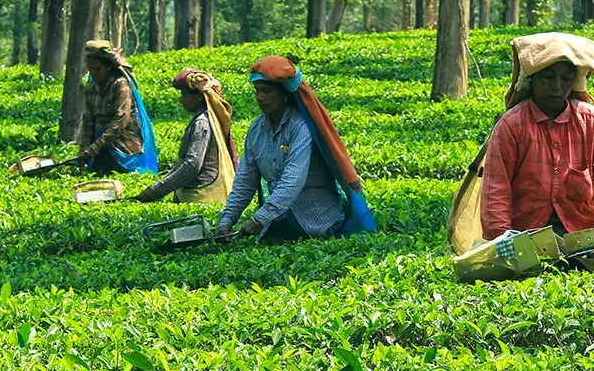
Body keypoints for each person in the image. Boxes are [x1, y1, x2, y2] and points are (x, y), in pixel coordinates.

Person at [478, 33, 594, 268]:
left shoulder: (593, 122)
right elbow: (495, 192)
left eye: (565, 78)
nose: (557, 86)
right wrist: (504, 240)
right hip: (526, 239)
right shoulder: (511, 126)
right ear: (532, 79)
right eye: (548, 78)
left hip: (584, 243)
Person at [216, 55, 377, 241]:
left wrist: (260, 219)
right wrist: (226, 222)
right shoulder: (256, 129)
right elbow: (245, 179)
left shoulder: (301, 127)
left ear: (284, 94)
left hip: (316, 222)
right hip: (280, 221)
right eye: (257, 91)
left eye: (267, 91)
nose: (260, 97)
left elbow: (293, 179)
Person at [135, 69, 236, 204]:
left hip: (202, 197)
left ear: (199, 96)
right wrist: (157, 187)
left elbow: (192, 165)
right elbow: (183, 162)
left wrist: (156, 191)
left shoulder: (202, 123)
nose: (181, 100)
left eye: (185, 95)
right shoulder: (205, 118)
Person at [76, 40, 158, 175]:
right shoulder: (90, 89)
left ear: (108, 67)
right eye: (90, 69)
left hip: (124, 145)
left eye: (97, 69)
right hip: (101, 148)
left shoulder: (121, 85)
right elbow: (88, 122)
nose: (93, 73)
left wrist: (95, 148)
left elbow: (121, 119)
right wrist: (84, 149)